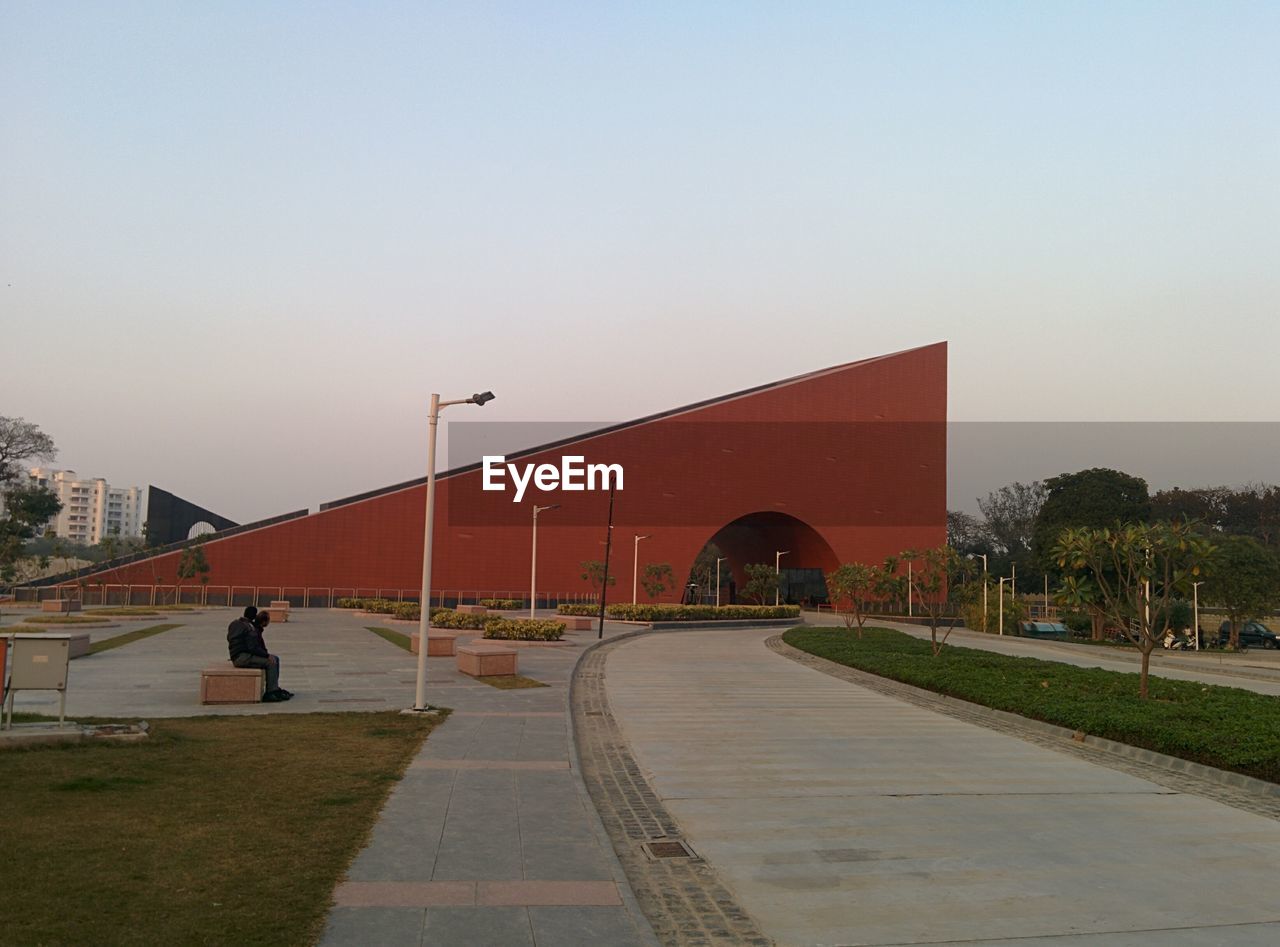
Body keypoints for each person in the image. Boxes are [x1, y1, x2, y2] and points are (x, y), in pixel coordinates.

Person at [226, 606, 291, 702]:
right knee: (271, 662)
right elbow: (253, 648)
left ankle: (275, 688)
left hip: (235, 655)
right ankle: (271, 692)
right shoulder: (249, 628)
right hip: (242, 657)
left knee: (274, 659)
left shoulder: (235, 623)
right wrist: (266, 655)